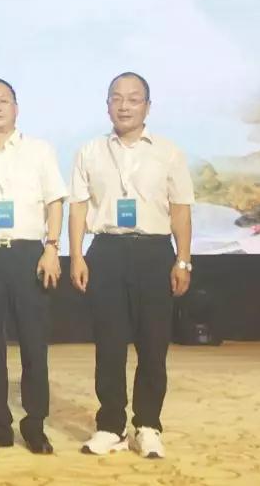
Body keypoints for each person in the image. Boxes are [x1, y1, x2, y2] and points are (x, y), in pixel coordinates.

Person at [70, 72, 194, 459]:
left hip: (154, 252)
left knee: (153, 346)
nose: (124, 106)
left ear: (147, 107)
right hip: (106, 252)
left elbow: (180, 210)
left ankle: (147, 426)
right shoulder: (90, 151)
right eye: (117, 98)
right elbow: (78, 207)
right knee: (109, 346)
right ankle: (111, 426)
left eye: (133, 99)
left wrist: (183, 260)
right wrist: (77, 255)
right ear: (107, 105)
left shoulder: (168, 152)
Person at [0, 78, 66, 454]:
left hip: (28, 255)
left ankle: (34, 425)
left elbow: (55, 201)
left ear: (16, 108)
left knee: (34, 344)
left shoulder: (39, 150)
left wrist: (52, 247)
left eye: (3, 100)